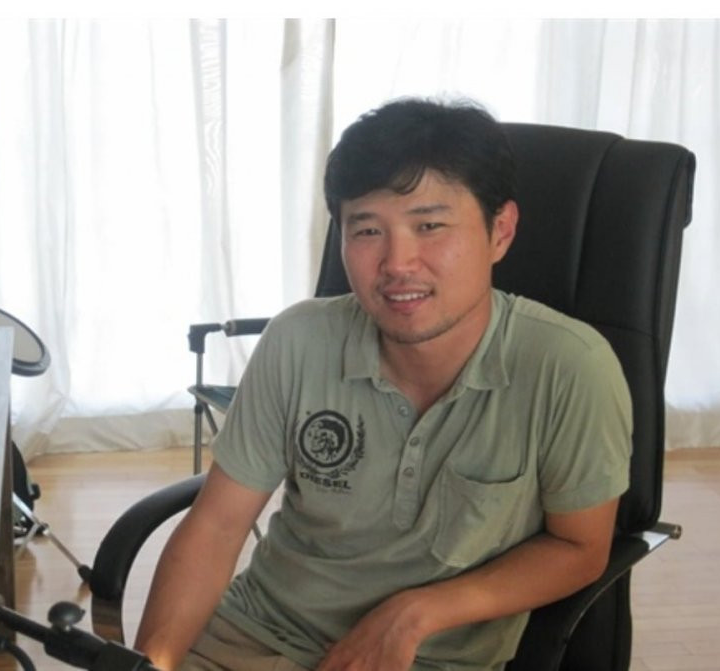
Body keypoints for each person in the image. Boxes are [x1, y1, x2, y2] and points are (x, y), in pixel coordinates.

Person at [135, 97, 633, 671]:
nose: (398, 263)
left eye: (430, 226)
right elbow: (218, 526)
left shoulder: (569, 367)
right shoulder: (297, 340)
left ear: (500, 231)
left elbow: (580, 547)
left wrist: (415, 613)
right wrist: (150, 664)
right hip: (252, 634)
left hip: (423, 658)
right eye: (368, 229)